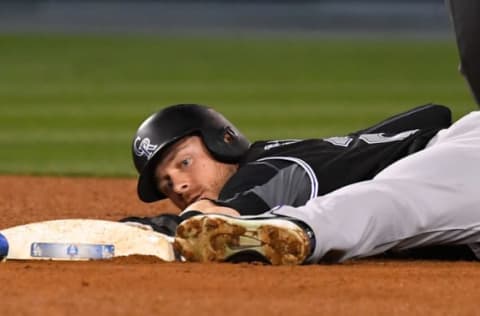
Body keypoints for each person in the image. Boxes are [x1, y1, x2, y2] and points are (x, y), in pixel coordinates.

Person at [126, 102, 454, 263]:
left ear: (223, 141)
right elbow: (434, 114)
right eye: (166, 184)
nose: (179, 186)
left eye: (184, 163)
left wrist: (147, 228)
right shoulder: (290, 153)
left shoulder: (263, 171)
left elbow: (214, 225)